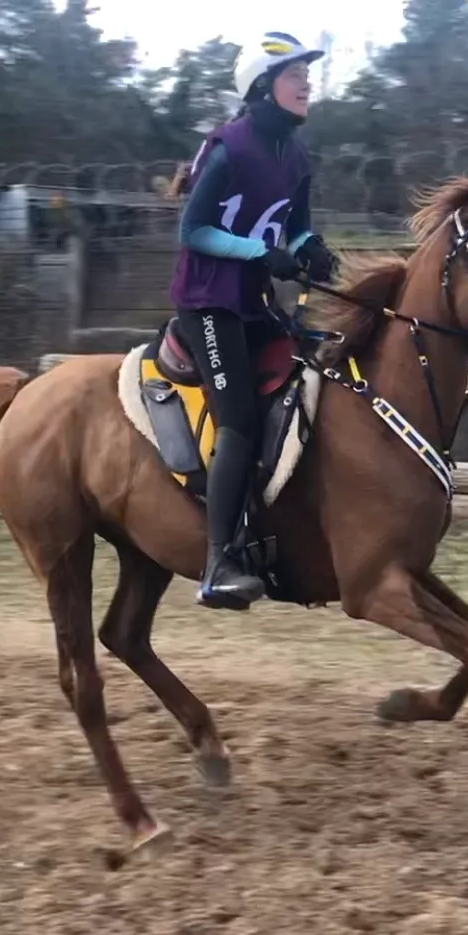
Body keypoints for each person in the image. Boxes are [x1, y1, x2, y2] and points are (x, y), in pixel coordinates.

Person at [169, 32, 338, 610]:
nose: (306, 84)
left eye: (306, 76)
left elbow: (294, 226)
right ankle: (218, 563)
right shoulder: (228, 146)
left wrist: (310, 247)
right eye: (295, 76)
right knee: (238, 421)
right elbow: (192, 231)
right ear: (264, 86)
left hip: (257, 304)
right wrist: (258, 254)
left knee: (308, 376)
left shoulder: (295, 155)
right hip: (209, 304)